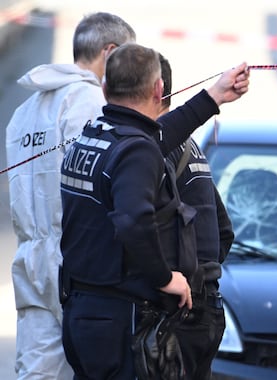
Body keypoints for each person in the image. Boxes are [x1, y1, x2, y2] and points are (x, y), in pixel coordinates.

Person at [5, 11, 249, 379]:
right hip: (117, 312)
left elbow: (154, 136)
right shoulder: (132, 148)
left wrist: (212, 97)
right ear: (157, 90)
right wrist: (166, 277)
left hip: (76, 299)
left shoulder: (91, 134)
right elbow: (134, 219)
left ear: (105, 90)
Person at [5, 12, 136, 379]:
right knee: (98, 366)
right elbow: (98, 184)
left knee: (37, 370)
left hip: (30, 258)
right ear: (109, 53)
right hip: (76, 259)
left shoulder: (24, 110)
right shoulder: (90, 102)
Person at [159, 53, 234, 380]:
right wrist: (204, 276)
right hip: (207, 305)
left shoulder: (151, 148)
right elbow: (223, 230)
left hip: (179, 310)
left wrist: (178, 280)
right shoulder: (189, 146)